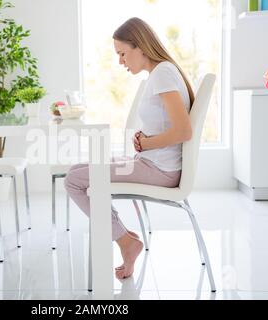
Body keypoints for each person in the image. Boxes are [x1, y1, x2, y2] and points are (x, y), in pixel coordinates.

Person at [64, 17, 195, 280]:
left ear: (141, 47)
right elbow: (168, 125)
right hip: (153, 163)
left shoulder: (163, 73)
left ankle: (125, 241)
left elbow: (183, 131)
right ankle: (123, 236)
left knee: (73, 181)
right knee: (78, 170)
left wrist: (146, 143)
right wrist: (144, 138)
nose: (120, 61)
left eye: (122, 54)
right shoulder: (160, 74)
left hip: (160, 169)